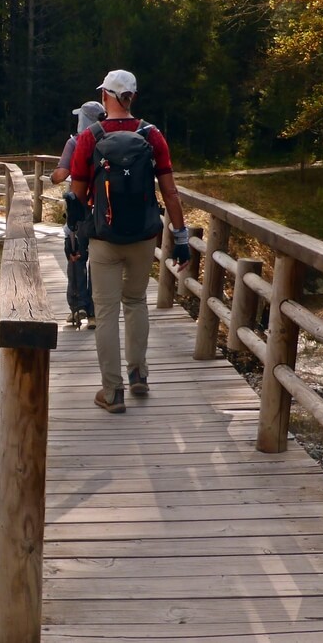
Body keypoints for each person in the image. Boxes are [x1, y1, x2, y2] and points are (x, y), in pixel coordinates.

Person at [67, 69, 190, 414]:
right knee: (135, 302)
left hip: (104, 238)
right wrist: (180, 239)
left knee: (105, 313)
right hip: (143, 237)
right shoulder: (152, 135)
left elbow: (76, 197)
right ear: (132, 97)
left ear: (105, 96)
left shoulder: (90, 137)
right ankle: (138, 375)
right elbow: (170, 192)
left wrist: (73, 239)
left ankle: (113, 392)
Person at [52, 100, 105, 330]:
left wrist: (53, 177)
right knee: (99, 260)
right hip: (104, 210)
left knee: (76, 255)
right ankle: (94, 312)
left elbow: (61, 174)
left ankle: (77, 308)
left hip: (80, 209)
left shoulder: (74, 142)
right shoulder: (108, 140)